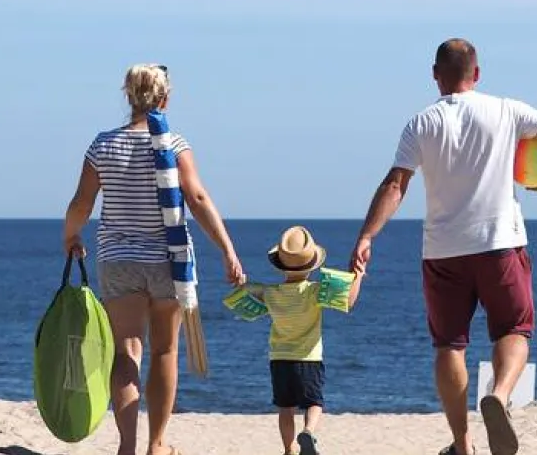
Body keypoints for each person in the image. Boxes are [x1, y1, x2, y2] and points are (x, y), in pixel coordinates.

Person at [348, 39, 537, 455]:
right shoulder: (506, 110)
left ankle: (462, 443)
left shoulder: (421, 123)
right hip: (500, 243)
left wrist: (367, 236)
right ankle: (499, 396)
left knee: (449, 346)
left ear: (435, 75)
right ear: (477, 73)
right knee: (513, 330)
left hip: (443, 251)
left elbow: (395, 184)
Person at [62, 63, 246, 455]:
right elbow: (197, 199)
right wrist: (227, 249)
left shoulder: (103, 145)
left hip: (119, 260)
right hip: (168, 261)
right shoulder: (175, 145)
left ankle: (127, 446)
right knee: (164, 351)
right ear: (165, 98)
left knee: (126, 351)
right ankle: (157, 444)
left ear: (128, 96)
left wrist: (71, 236)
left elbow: (81, 203)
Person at [227, 226, 364, 455]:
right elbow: (348, 302)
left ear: (281, 266)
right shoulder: (314, 291)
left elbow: (245, 291)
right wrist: (358, 275)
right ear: (311, 266)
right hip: (308, 359)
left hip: (279, 360)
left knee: (285, 408)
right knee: (314, 403)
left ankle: (288, 449)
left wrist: (240, 281)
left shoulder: (271, 292)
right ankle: (308, 431)